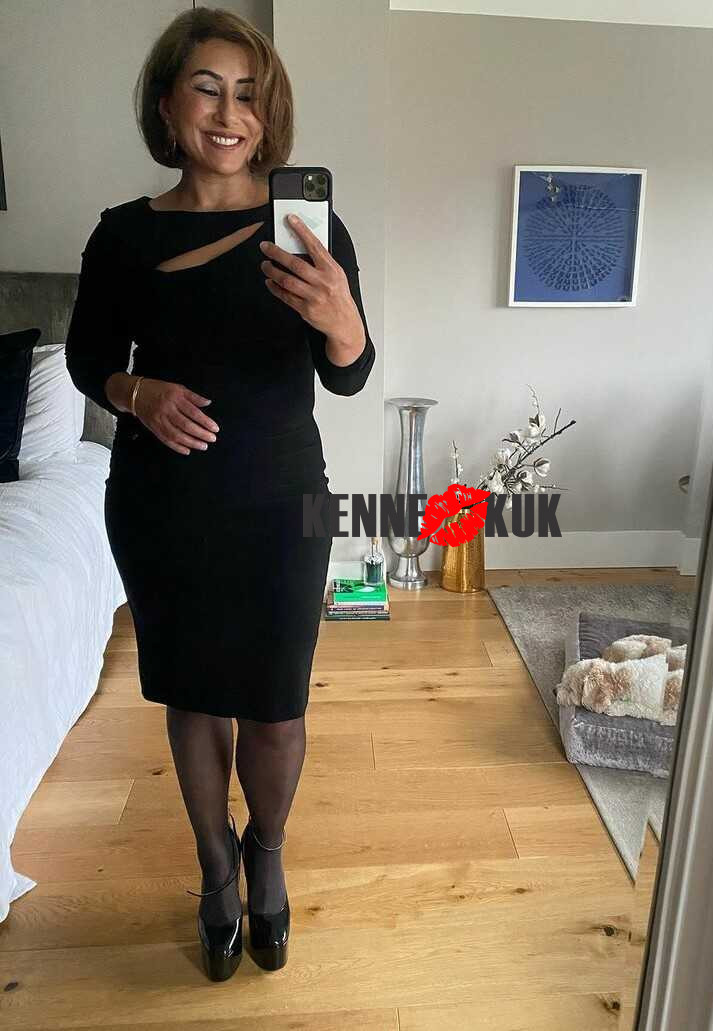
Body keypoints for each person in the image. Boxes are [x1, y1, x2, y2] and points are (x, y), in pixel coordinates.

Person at [64, 7, 375, 981]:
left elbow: (350, 376)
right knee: (195, 697)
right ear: (167, 105)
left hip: (281, 502)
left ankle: (265, 849)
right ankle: (214, 864)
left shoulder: (309, 227)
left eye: (249, 94)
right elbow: (85, 358)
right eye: (207, 89)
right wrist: (135, 392)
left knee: (276, 707)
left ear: (268, 112)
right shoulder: (123, 235)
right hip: (163, 504)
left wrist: (343, 319)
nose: (230, 113)